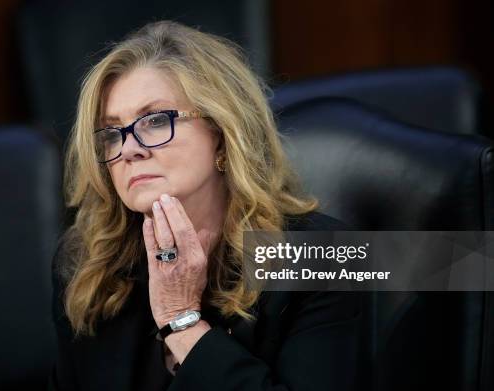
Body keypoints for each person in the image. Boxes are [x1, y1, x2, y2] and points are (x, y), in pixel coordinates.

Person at [49, 20, 362, 391]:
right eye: (112, 132)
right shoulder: (89, 262)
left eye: (154, 121)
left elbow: (451, 264)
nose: (129, 149)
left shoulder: (326, 257)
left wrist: (181, 320)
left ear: (221, 134)